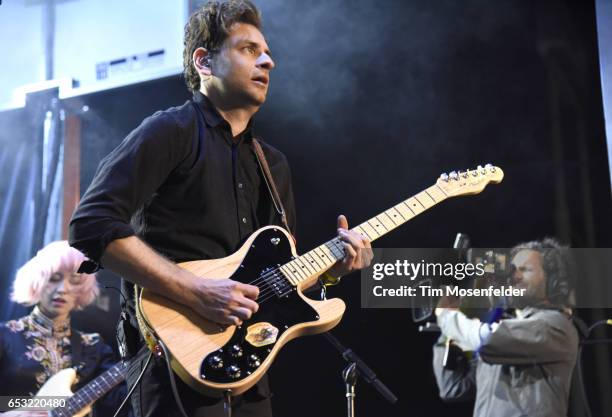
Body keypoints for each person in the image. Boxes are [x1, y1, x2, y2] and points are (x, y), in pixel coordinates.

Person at [68, 1, 373, 416]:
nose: (268, 60)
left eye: (266, 52)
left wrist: (333, 270)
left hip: (249, 371)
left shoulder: (273, 164)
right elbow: (91, 224)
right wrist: (196, 291)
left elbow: (278, 278)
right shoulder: (169, 131)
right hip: (170, 365)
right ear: (204, 62)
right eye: (248, 49)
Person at [432, 238, 579, 417]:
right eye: (512, 270)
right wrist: (449, 330)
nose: (514, 277)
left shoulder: (555, 325)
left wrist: (447, 317)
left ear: (552, 280)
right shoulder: (503, 332)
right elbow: (453, 388)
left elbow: (486, 340)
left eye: (525, 270)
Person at [0, 241, 127, 417]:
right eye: (54, 278)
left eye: (75, 280)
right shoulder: (5, 335)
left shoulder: (93, 346)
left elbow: (119, 403)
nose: (63, 289)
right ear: (37, 281)